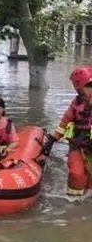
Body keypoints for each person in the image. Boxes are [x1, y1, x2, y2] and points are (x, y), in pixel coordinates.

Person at [42, 67, 92, 196]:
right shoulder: (75, 104)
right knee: (76, 173)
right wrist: (52, 140)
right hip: (78, 144)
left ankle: (86, 203)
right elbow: (64, 123)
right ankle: (73, 202)